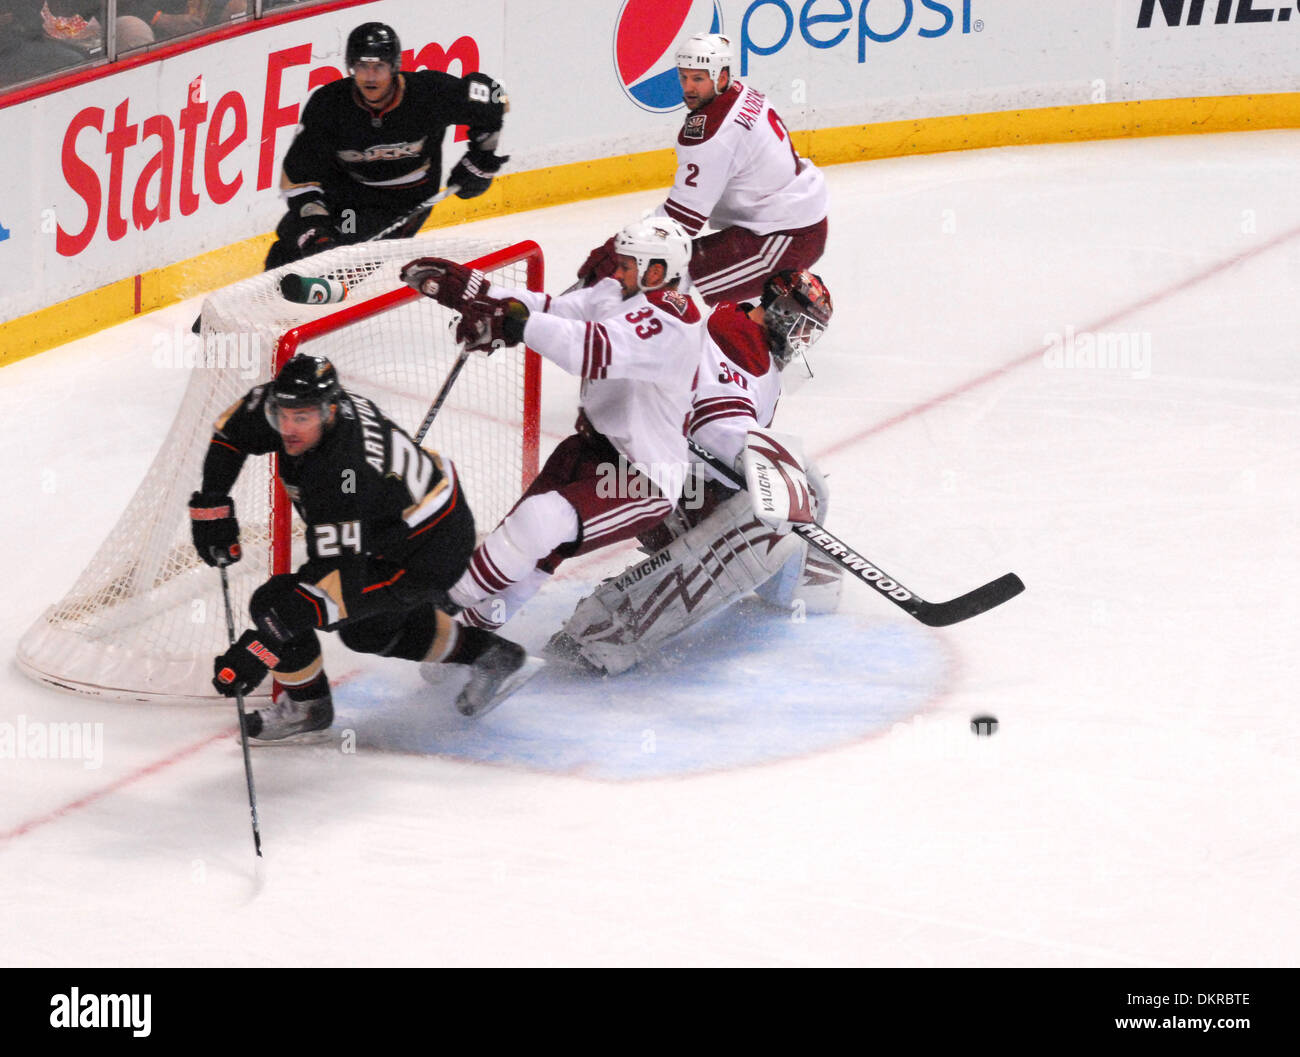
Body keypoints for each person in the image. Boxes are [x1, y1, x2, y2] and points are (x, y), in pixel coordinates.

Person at [190, 353, 538, 737]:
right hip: (397, 524)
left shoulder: (343, 474)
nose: (287, 428)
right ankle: (492, 655)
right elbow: (231, 434)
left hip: (429, 551)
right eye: (281, 416)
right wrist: (213, 504)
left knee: (275, 606)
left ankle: (307, 708)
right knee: (367, 631)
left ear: (330, 411)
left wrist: (260, 648)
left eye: (301, 418)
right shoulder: (293, 406)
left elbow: (331, 583)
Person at [399, 217, 707, 633]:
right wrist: (473, 292)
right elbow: (551, 310)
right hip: (591, 448)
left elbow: (589, 349)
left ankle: (445, 607)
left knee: (540, 523)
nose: (616, 272)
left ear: (656, 272)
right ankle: (471, 641)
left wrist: (514, 326)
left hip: (644, 479)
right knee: (527, 540)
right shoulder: (616, 292)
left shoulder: (674, 321)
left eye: (628, 265)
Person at [546, 269, 842, 675]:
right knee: (759, 533)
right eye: (803, 326)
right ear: (783, 311)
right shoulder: (739, 347)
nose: (803, 339)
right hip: (641, 475)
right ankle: (606, 629)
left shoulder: (744, 336)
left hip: (662, 470)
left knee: (791, 516)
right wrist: (757, 458)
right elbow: (711, 423)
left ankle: (792, 576)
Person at [575, 33, 827, 307]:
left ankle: (655, 342)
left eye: (698, 79)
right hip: (784, 222)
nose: (688, 88)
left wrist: (619, 248)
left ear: (720, 77)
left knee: (667, 270)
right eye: (684, 77)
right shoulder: (743, 94)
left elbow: (681, 221)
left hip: (783, 237)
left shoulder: (714, 131)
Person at [264, 21, 509, 270]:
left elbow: (497, 95)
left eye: (379, 66)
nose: (370, 76)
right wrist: (315, 227)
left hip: (403, 201)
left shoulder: (427, 94)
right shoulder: (329, 105)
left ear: (394, 67)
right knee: (294, 241)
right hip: (346, 193)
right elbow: (299, 178)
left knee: (348, 257)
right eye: (362, 66)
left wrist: (482, 161)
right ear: (350, 67)